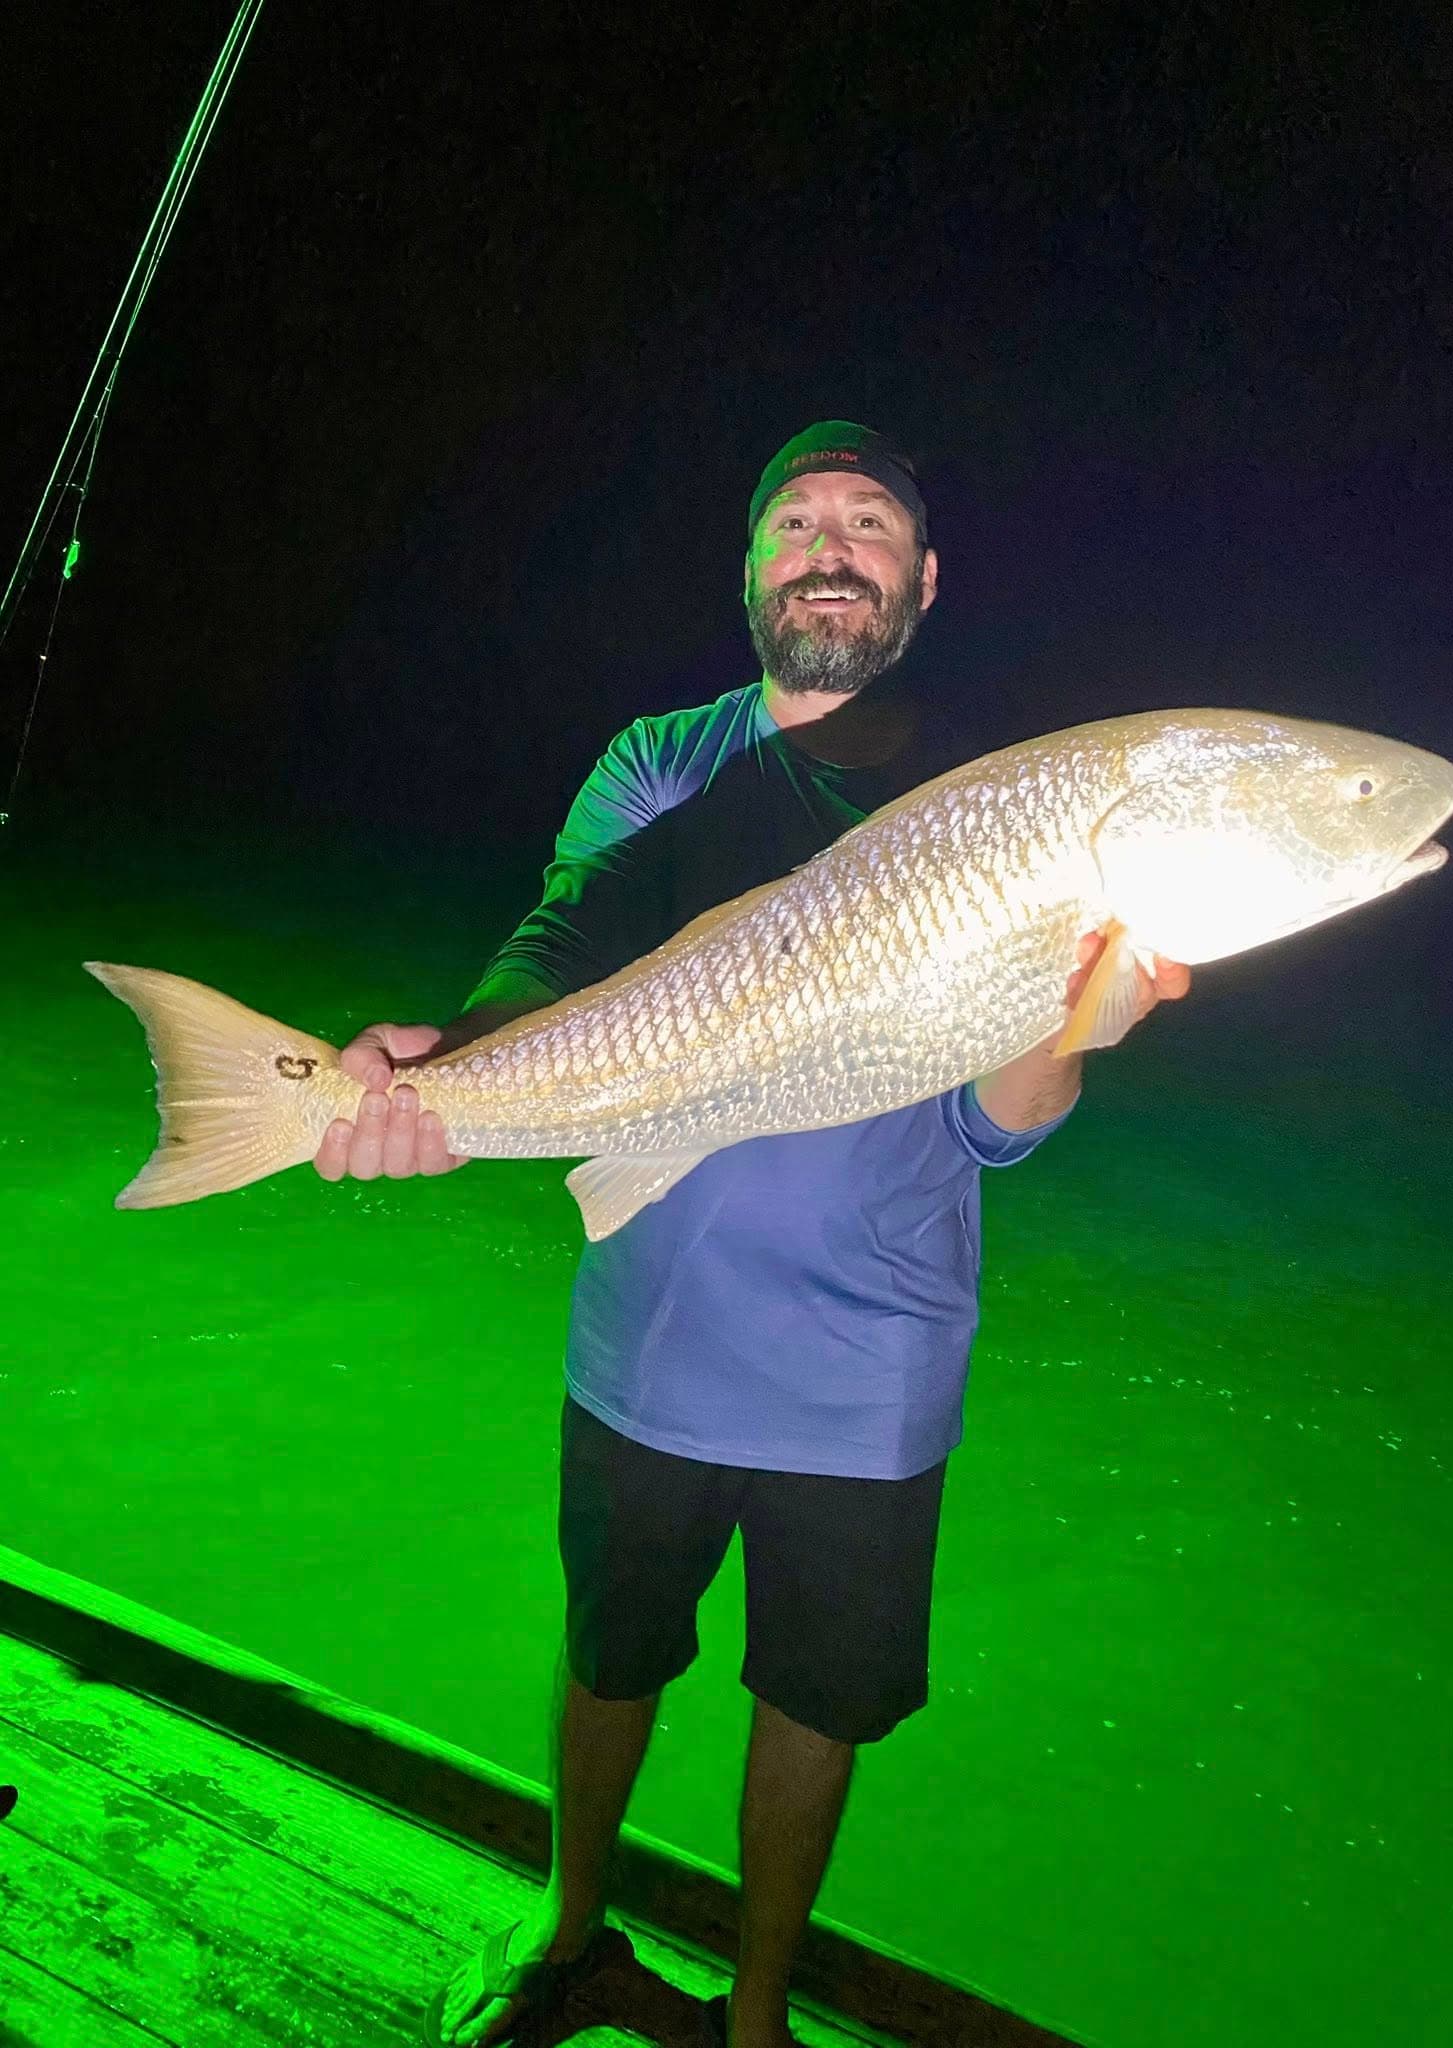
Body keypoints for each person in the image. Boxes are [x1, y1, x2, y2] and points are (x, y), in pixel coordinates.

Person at [315, 422, 1190, 2048]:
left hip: (875, 1361)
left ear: (925, 581)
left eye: (871, 523)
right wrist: (452, 1057)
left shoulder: (994, 807)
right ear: (751, 570)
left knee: (817, 1705)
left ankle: (759, 2014)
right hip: (647, 1330)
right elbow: (574, 931)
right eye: (798, 521)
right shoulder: (666, 757)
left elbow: (990, 1126)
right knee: (611, 1657)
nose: (832, 547)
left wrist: (1076, 1024)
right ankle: (570, 1939)